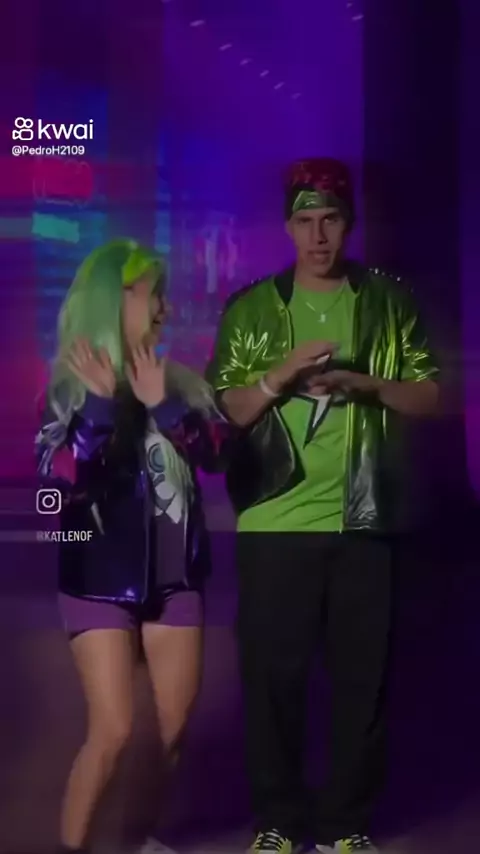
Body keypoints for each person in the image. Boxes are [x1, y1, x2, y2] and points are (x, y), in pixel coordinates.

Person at [206, 158, 439, 854]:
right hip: (274, 522)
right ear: (287, 226)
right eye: (305, 221)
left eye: (330, 219)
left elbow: (429, 395)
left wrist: (366, 384)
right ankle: (277, 823)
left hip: (364, 518)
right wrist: (281, 375)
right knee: (272, 683)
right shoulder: (252, 309)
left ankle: (346, 826)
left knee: (363, 684)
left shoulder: (389, 302)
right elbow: (226, 410)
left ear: (349, 223)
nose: (318, 236)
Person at [35, 239, 229, 854]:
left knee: (171, 730)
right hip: (98, 579)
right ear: (116, 299)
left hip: (176, 579)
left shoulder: (179, 383)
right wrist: (97, 408)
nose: (166, 309)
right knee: (114, 730)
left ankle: (139, 841)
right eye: (154, 295)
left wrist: (164, 405)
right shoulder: (66, 389)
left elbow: (217, 456)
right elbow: (57, 488)